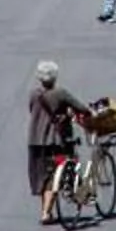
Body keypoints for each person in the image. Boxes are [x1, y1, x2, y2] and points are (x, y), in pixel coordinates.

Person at [25, 60, 82, 210]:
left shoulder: (33, 94)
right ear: (55, 77)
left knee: (41, 175)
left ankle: (45, 209)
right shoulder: (60, 93)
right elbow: (80, 107)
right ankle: (46, 212)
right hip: (54, 141)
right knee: (54, 176)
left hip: (35, 140)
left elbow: (32, 110)